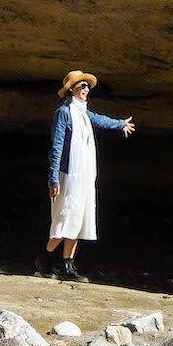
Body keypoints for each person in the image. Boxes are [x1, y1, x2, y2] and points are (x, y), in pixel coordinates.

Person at [45, 68, 135, 274]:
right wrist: (53, 179)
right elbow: (57, 146)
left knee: (79, 219)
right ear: (72, 89)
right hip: (67, 177)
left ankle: (67, 264)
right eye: (82, 85)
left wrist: (120, 124)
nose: (86, 89)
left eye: (87, 86)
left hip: (84, 176)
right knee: (64, 219)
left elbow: (101, 120)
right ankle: (45, 260)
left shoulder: (83, 113)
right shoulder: (64, 113)